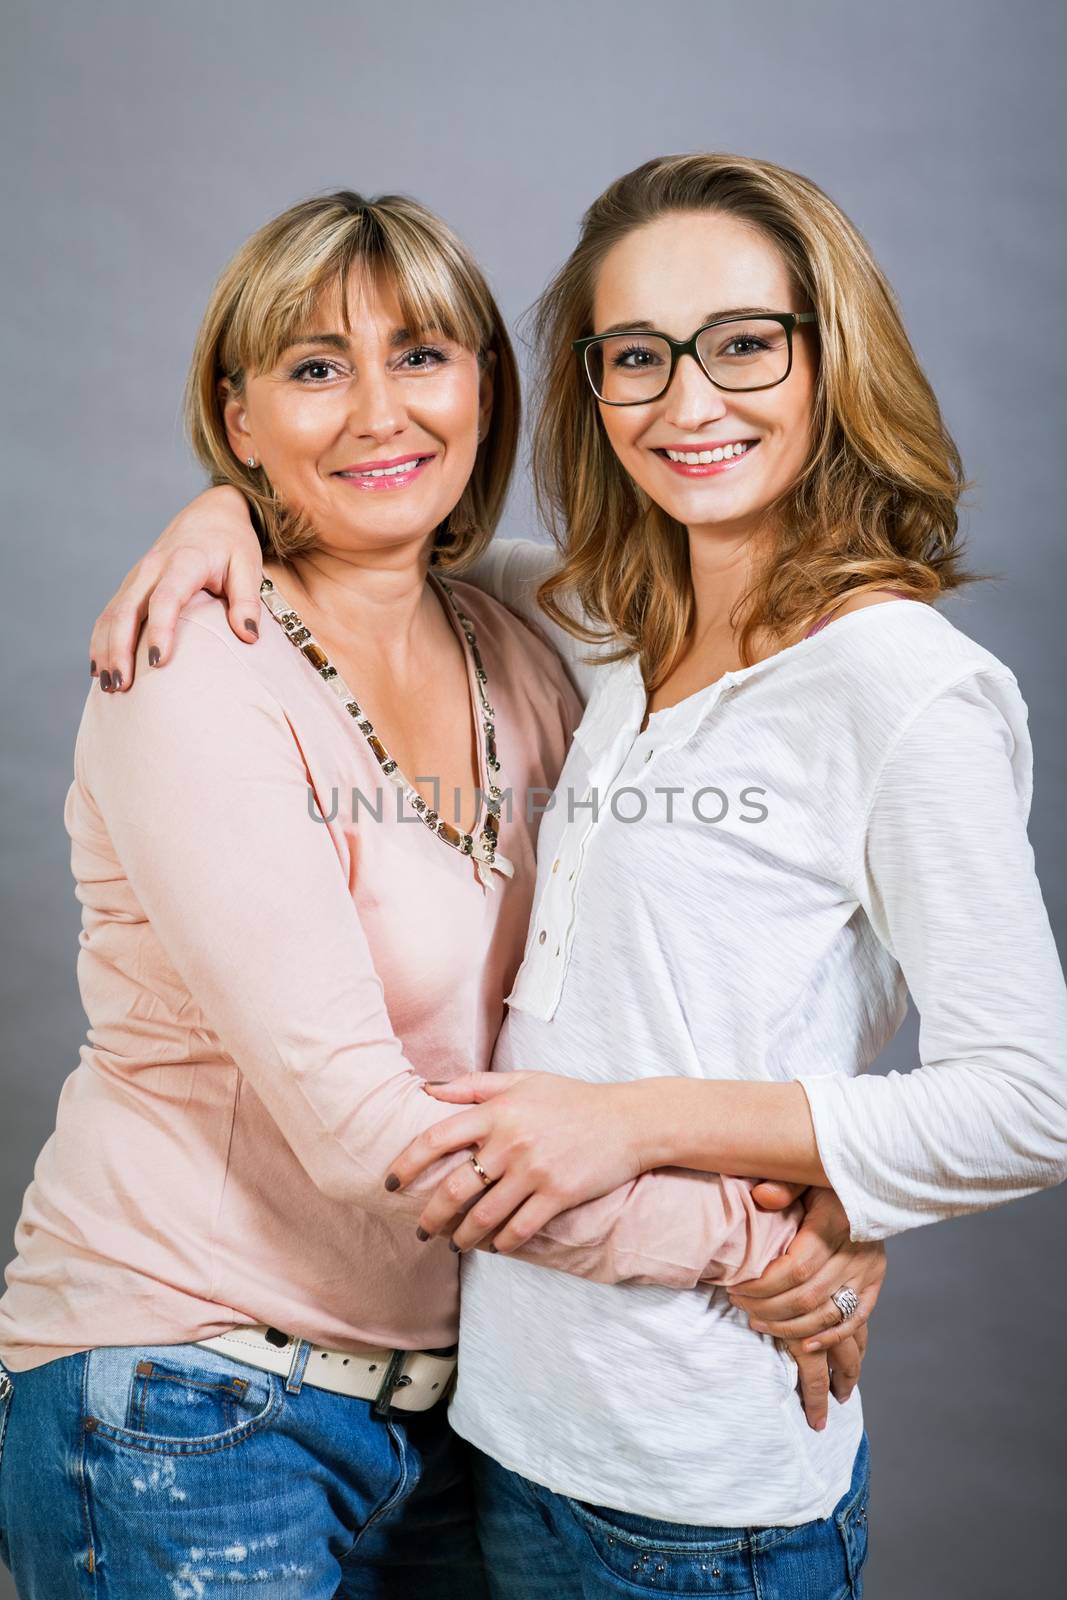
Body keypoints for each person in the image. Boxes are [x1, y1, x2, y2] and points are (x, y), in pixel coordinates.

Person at [90, 153, 1067, 1599]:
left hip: (700, 1467)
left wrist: (672, 1144)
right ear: (588, 388)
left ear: (830, 356)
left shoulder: (904, 689)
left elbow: (1031, 1105)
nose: (689, 401)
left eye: (743, 343)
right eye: (635, 357)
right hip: (507, 1431)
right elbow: (380, 525)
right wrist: (221, 515)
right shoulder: (595, 625)